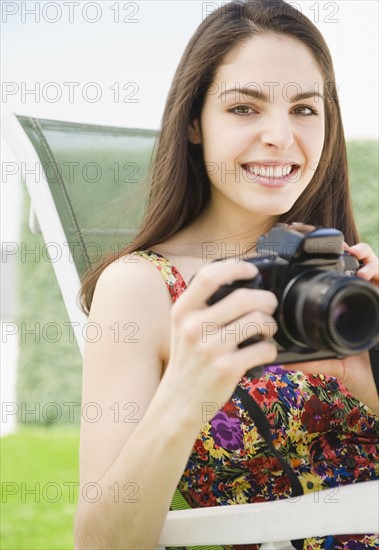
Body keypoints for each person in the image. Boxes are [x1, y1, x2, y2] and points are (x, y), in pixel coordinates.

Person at [73, 1, 379, 548]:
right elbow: (99, 541)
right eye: (244, 108)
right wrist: (188, 392)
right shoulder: (143, 289)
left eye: (306, 109)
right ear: (194, 122)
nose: (282, 137)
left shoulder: (345, 285)